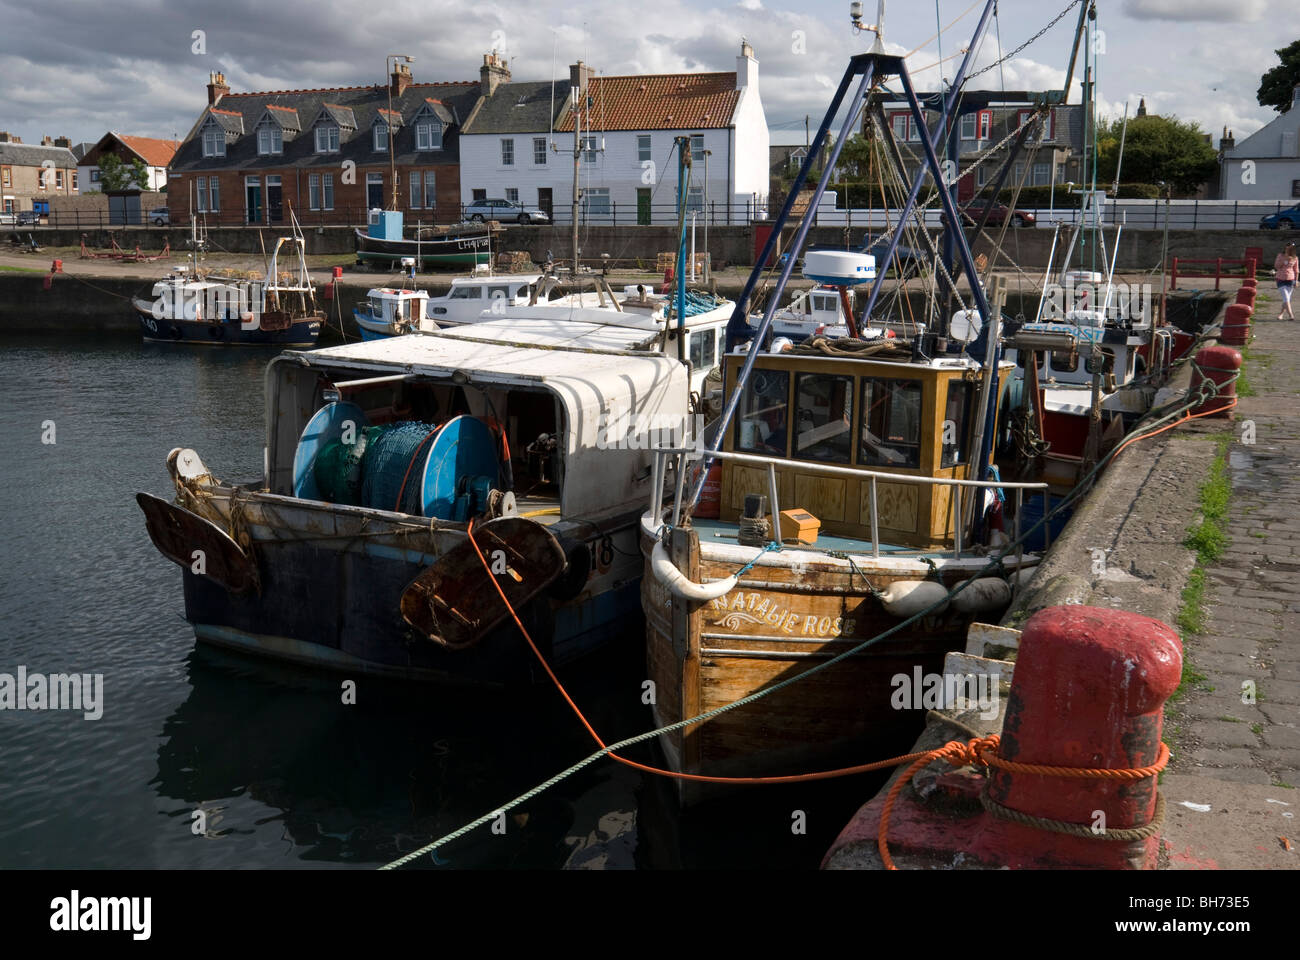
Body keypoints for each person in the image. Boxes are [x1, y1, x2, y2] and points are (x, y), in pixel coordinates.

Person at [1275, 243, 1298, 320]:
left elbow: (1296, 270)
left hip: (1290, 279)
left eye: (1290, 249)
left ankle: (1281, 314)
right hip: (1280, 279)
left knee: (1287, 299)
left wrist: (1296, 281)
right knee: (1286, 298)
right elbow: (1276, 266)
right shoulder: (1280, 255)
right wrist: (1284, 260)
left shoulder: (1295, 258)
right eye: (1287, 248)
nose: (1287, 250)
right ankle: (1291, 315)